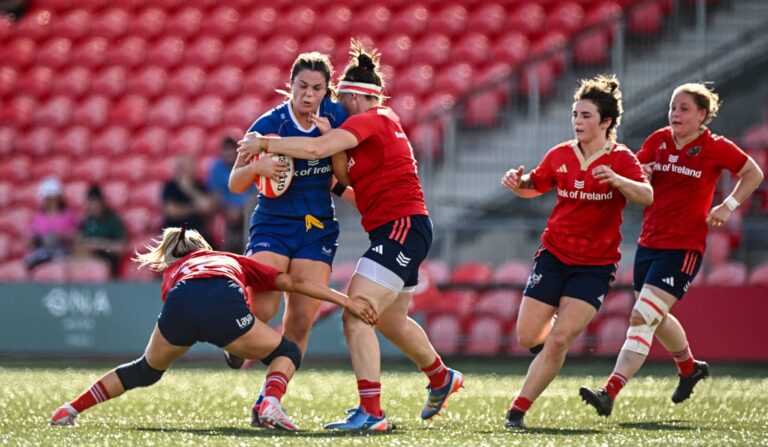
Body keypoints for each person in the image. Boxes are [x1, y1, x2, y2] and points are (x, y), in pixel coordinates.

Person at [237, 39, 463, 432]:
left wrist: (265, 145)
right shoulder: (376, 122)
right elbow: (344, 179)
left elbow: (316, 149)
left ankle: (372, 413)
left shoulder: (367, 119)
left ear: (354, 97)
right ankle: (441, 377)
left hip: (400, 229)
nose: (335, 106)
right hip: (402, 228)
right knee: (390, 320)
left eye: (337, 97)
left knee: (355, 313)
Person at [50, 226, 377, 427]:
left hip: (180, 301)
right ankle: (270, 402)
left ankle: (70, 408)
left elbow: (191, 301)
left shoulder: (173, 271)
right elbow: (293, 283)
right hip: (223, 300)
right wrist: (345, 300)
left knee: (145, 370)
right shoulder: (228, 258)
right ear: (204, 247)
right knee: (287, 351)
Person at [579, 83, 764, 417]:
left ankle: (609, 392)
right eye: (673, 108)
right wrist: (642, 174)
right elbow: (634, 177)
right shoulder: (659, 140)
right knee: (655, 315)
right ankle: (689, 368)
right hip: (649, 243)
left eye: (684, 109)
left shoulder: (715, 147)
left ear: (702, 115)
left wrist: (728, 205)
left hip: (683, 248)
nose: (675, 114)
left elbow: (753, 172)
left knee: (641, 316)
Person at [499, 75, 653, 429]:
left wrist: (619, 180)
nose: (577, 121)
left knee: (558, 340)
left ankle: (516, 412)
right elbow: (533, 186)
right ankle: (551, 350)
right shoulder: (560, 154)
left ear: (606, 122)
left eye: (586, 115)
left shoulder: (621, 158)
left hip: (594, 267)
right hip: (553, 256)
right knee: (527, 337)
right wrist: (516, 183)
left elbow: (647, 196)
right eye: (575, 114)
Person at [227, 51, 350, 429]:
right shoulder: (269, 124)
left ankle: (269, 399)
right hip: (272, 226)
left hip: (316, 228)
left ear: (327, 90)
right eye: (302, 86)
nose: (308, 95)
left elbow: (345, 174)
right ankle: (235, 341)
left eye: (317, 88)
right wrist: (259, 167)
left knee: (300, 320)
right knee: (262, 309)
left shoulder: (336, 118)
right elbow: (235, 184)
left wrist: (333, 143)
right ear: (290, 85)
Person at [206, 136, 255, 253]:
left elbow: (254, 192)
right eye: (226, 149)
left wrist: (240, 209)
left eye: (231, 149)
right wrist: (227, 208)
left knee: (250, 208)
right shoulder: (216, 168)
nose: (229, 153)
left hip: (246, 209)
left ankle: (247, 249)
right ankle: (222, 251)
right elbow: (215, 193)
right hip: (225, 210)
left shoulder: (248, 164)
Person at [73, 185, 127, 277]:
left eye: (94, 202)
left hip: (106, 259)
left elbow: (122, 247)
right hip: (86, 258)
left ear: (101, 203)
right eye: (89, 202)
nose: (91, 206)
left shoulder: (112, 220)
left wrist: (98, 244)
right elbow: (79, 242)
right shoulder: (87, 221)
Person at [25, 177, 79, 269]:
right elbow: (28, 239)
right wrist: (36, 238)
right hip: (41, 250)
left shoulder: (68, 216)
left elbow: (76, 236)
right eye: (48, 198)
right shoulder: (37, 217)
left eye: (53, 198)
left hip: (62, 250)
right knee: (30, 260)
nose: (51, 201)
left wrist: (60, 236)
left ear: (59, 198)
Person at [161, 155, 216, 242]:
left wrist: (189, 189)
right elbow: (172, 212)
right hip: (174, 232)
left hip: (197, 232)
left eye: (189, 166)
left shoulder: (200, 186)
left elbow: (207, 207)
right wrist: (196, 208)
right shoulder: (170, 186)